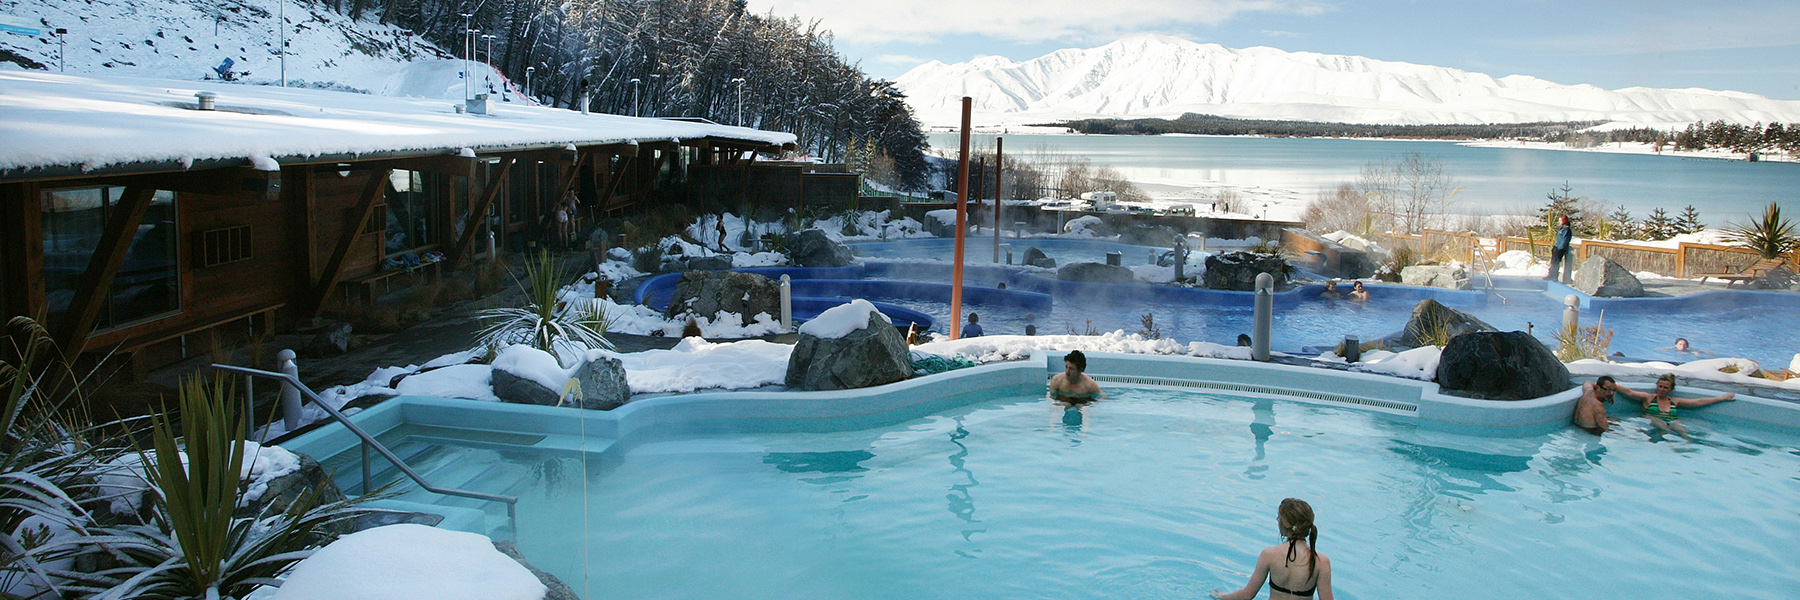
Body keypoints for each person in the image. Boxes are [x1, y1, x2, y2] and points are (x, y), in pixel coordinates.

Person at [1214, 498, 1334, 600]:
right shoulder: (1321, 561)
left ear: (1286, 524)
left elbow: (1247, 595)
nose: (1277, 519)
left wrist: (1222, 596)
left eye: (1279, 517)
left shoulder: (1269, 554)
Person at [1612, 373, 1736, 439]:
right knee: (1663, 426)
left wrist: (1721, 398)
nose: (1662, 389)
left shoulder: (1675, 401)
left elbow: (1698, 402)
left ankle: (1685, 447)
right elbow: (1629, 392)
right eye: (1660, 386)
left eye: (1665, 387)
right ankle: (1670, 442)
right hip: (1652, 419)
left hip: (1671, 420)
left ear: (1671, 389)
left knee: (1684, 432)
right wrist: (1614, 386)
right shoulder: (1648, 398)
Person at [1546, 215, 1573, 284]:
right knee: (1553, 262)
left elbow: (1564, 240)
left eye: (1560, 220)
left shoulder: (1566, 230)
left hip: (1560, 248)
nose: (1559, 222)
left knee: (1556, 262)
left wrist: (1560, 248)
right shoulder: (1562, 229)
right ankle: (1551, 274)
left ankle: (1554, 276)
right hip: (1557, 247)